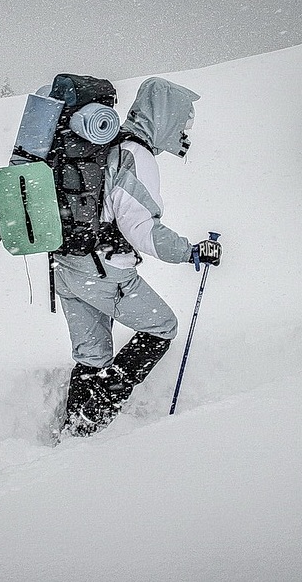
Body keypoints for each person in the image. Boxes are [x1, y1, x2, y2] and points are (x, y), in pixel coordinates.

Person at [57, 77, 222, 437]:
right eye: (183, 120)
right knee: (162, 327)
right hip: (104, 271)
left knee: (92, 354)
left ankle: (72, 433)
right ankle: (95, 417)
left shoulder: (100, 146)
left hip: (65, 265)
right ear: (163, 117)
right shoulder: (135, 155)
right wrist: (188, 252)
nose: (186, 131)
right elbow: (141, 229)